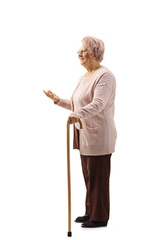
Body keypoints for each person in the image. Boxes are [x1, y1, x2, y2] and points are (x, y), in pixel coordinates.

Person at [44, 36, 116, 228]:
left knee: (98, 177)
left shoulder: (105, 76)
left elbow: (98, 104)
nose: (80, 53)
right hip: (83, 134)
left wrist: (78, 113)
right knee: (89, 175)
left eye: (84, 50)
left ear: (94, 53)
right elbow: (78, 104)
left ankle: (100, 217)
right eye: (79, 50)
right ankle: (90, 211)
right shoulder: (84, 77)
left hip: (99, 134)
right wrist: (59, 101)